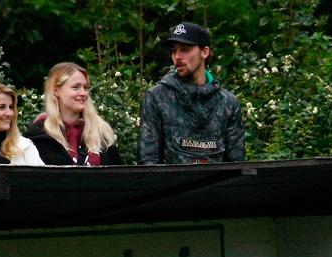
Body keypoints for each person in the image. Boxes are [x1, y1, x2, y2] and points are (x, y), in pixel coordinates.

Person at [137, 22, 245, 165]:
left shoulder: (228, 103)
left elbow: (237, 166)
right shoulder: (156, 98)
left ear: (204, 52)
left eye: (185, 49)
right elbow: (148, 163)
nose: (177, 57)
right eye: (174, 51)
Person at [26, 62, 122, 166]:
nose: (83, 93)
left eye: (85, 88)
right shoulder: (40, 134)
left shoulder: (101, 131)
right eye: (75, 87)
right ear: (56, 91)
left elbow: (118, 176)